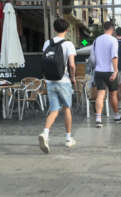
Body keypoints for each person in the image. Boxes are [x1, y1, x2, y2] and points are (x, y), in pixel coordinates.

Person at [38, 18, 77, 154]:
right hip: (64, 81)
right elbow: (71, 65)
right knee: (67, 108)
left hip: (49, 81)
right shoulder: (69, 44)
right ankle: (68, 138)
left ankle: (45, 133)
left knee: (54, 109)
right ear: (66, 30)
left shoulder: (47, 43)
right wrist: (73, 78)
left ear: (54, 29)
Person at [92, 22, 121, 128]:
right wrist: (116, 71)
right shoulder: (113, 40)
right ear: (112, 29)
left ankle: (98, 119)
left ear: (104, 28)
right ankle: (116, 116)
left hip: (98, 71)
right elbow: (114, 57)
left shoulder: (96, 40)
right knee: (113, 95)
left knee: (100, 94)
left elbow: (92, 58)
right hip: (110, 71)